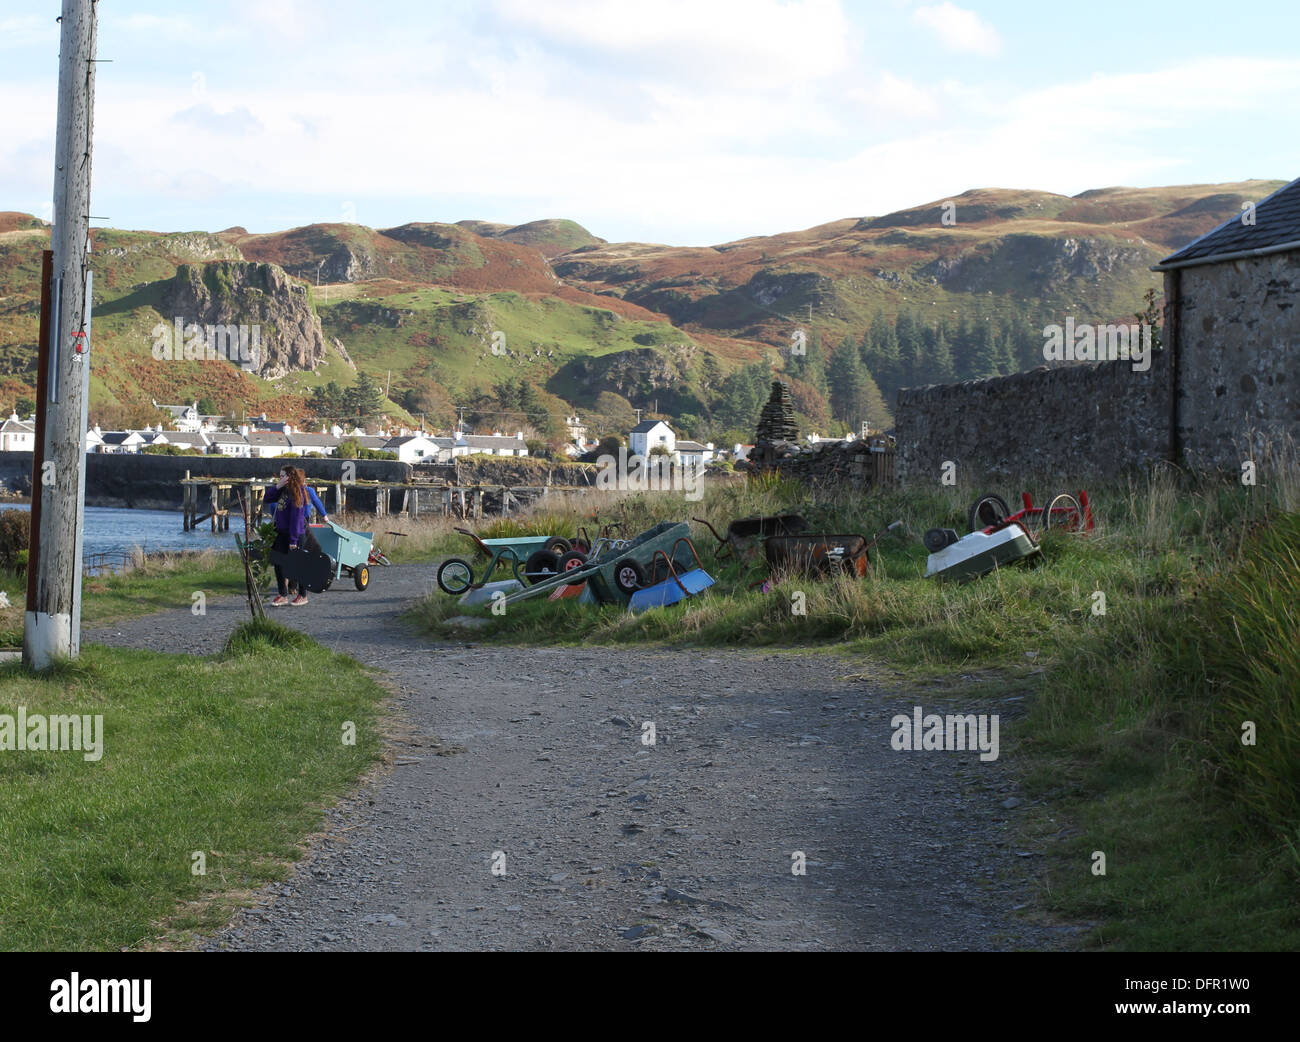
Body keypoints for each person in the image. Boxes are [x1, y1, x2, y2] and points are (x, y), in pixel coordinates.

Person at [263, 465, 309, 606]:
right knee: (278, 563)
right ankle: (282, 594)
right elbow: (267, 498)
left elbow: (296, 518)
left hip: (294, 534)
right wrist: (277, 486)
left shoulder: (297, 492)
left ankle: (303, 595)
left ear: (290, 476)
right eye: (280, 475)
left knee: (297, 565)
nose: (280, 478)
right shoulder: (283, 490)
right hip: (281, 532)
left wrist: (293, 540)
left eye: (283, 476)